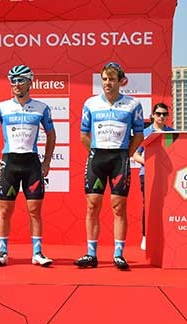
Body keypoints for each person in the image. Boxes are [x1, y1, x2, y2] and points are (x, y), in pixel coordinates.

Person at [0, 65, 56, 267]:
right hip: (9, 163)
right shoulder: (2, 107)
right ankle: (2, 252)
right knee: (5, 210)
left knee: (34, 210)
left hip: (31, 163)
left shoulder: (42, 108)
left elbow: (51, 134)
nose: (16, 84)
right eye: (13, 81)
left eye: (20, 80)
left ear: (29, 82)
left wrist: (47, 161)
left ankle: (37, 253)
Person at [74, 62, 144, 270]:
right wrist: (95, 152)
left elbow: (139, 135)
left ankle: (118, 254)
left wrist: (125, 154)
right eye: (104, 79)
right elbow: (83, 135)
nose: (107, 83)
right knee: (92, 205)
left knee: (118, 207)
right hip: (97, 158)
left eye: (111, 79)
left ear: (121, 81)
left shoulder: (133, 104)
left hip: (119, 159)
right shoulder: (91, 103)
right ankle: (91, 254)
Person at [133, 102, 174, 250]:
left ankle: (167, 236)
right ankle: (146, 236)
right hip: (147, 174)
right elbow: (135, 154)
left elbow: (175, 153)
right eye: (158, 114)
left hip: (168, 176)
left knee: (168, 205)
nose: (161, 116)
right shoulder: (145, 133)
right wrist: (149, 163)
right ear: (153, 115)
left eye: (164, 114)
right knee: (149, 205)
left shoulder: (172, 133)